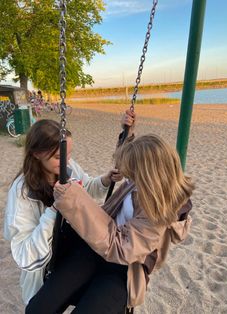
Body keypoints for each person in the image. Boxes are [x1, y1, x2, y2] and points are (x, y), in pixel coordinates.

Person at [25, 130, 194, 313]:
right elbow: (131, 158)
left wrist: (74, 199)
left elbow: (121, 248)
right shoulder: (135, 184)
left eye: (132, 174)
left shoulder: (160, 212)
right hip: (94, 250)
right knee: (38, 308)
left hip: (125, 269)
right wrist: (127, 129)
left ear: (149, 175)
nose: (127, 178)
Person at [3, 117, 133, 308]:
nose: (67, 160)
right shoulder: (22, 193)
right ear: (37, 154)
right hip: (47, 263)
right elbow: (24, 255)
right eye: (58, 157)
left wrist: (105, 180)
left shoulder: (66, 167)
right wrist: (54, 211)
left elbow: (86, 187)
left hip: (74, 248)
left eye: (69, 154)